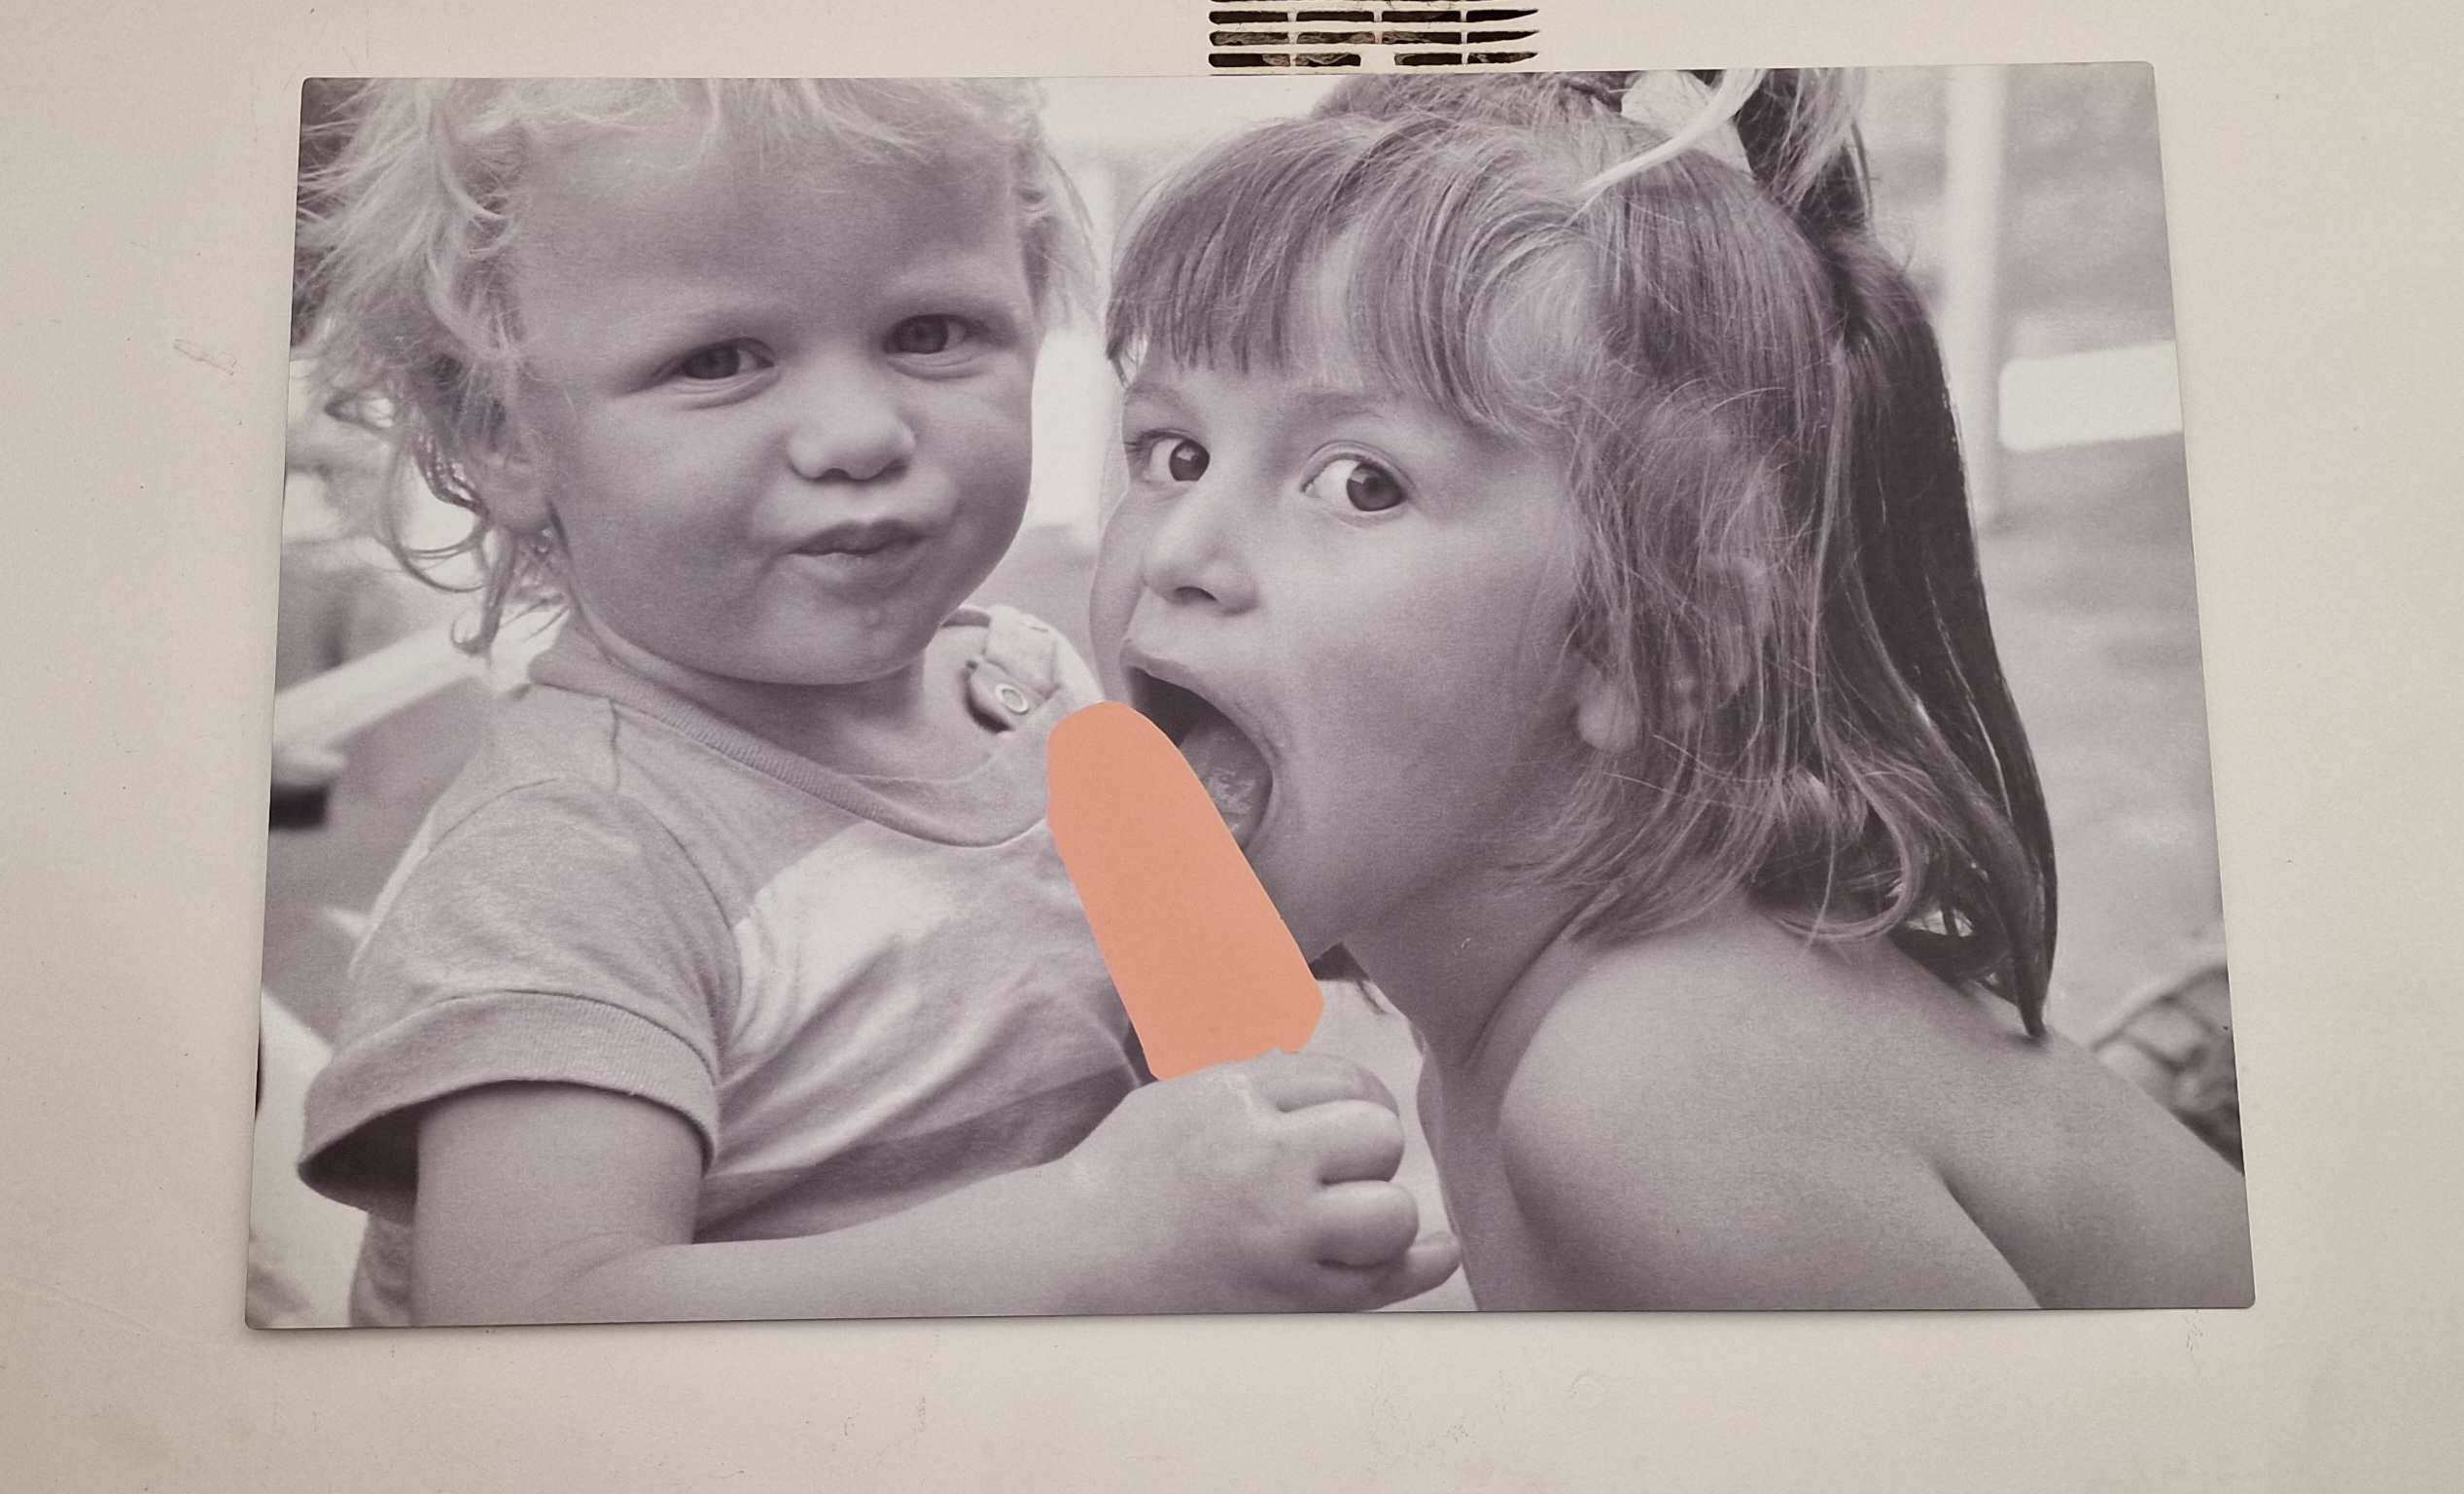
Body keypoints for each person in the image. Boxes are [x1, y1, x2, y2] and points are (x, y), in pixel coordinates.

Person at [293, 78, 1455, 1326]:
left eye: (930, 332)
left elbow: (1194, 1049)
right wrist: (1091, 1235)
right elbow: (526, 1322)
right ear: (500, 435)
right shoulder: (566, 865)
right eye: (720, 360)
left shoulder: (1028, 690)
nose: (858, 433)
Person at [1092, 70, 2253, 1309]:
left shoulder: (1646, 1095)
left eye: (1360, 482)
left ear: (1660, 639)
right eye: (1174, 452)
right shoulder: (1511, 1054)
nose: (1177, 552)